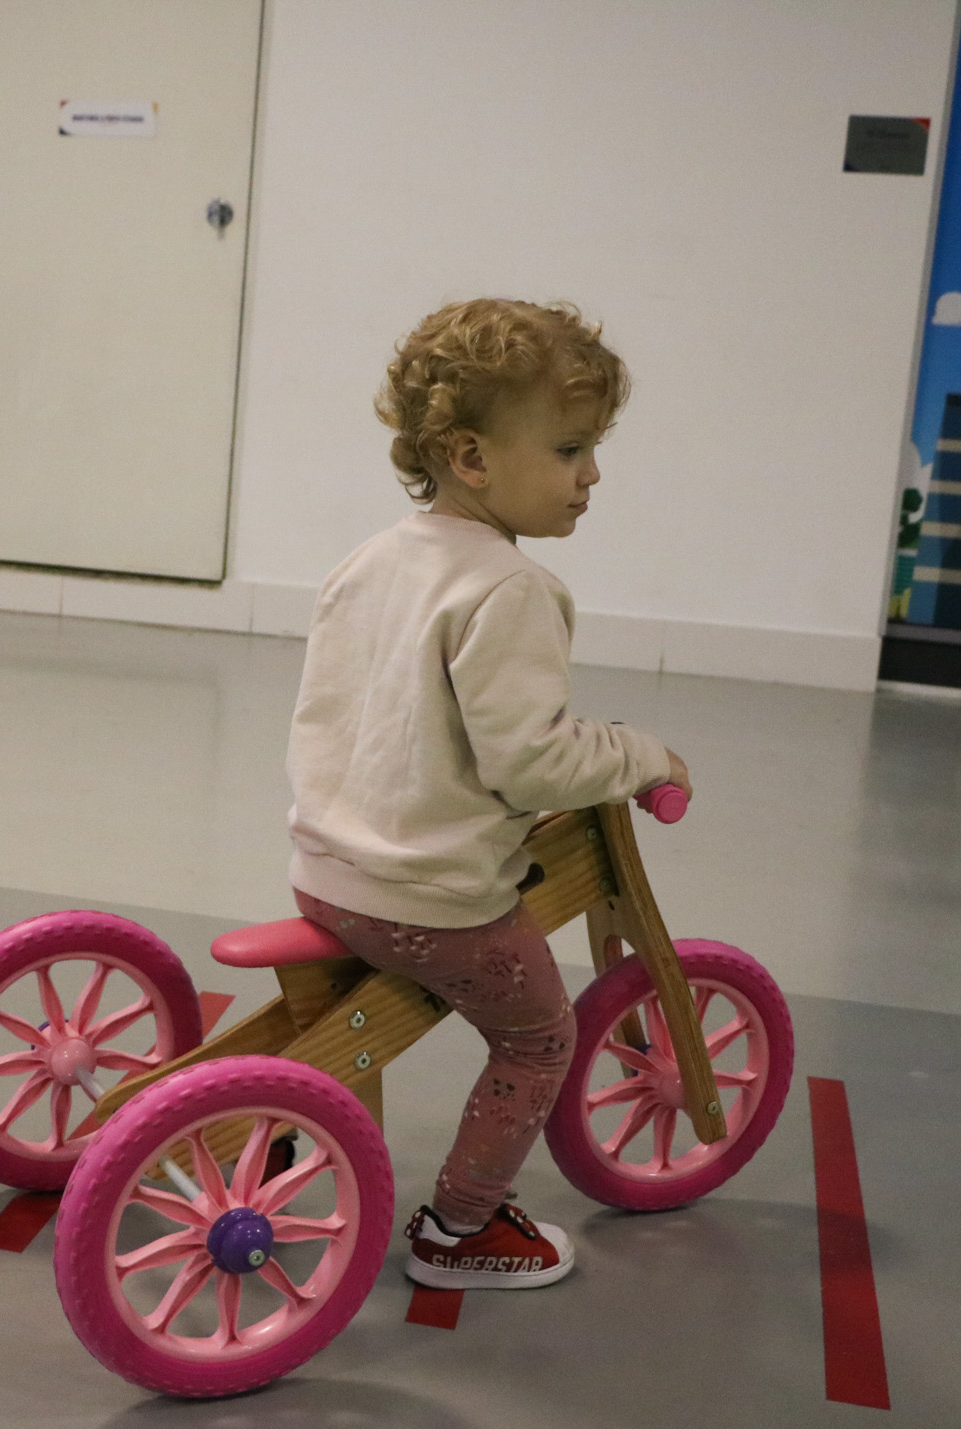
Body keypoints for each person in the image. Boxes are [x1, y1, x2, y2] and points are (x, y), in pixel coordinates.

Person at [284, 298, 689, 1291]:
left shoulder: (369, 561)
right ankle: (460, 1229)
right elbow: (532, 765)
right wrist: (640, 757)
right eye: (568, 449)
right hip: (429, 901)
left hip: (323, 871)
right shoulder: (510, 589)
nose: (591, 474)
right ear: (470, 456)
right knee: (539, 1037)